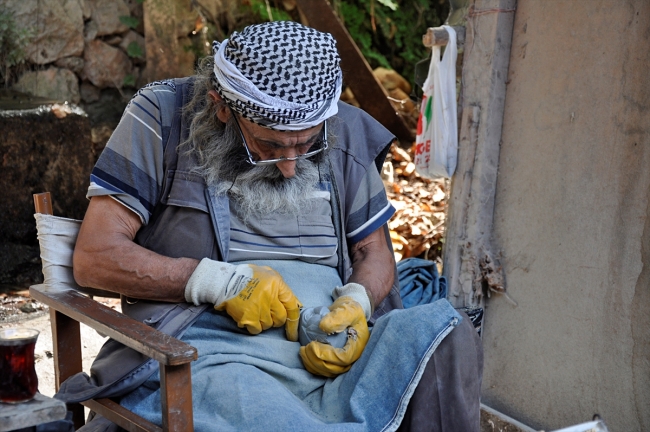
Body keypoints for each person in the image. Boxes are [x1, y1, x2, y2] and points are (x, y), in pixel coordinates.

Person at [61, 21, 482, 431]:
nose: (289, 166)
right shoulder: (163, 117)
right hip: (215, 353)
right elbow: (95, 257)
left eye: (307, 144)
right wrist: (216, 283)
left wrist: (359, 302)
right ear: (221, 107)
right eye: (270, 145)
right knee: (269, 415)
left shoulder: (343, 128)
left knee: (446, 334)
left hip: (330, 343)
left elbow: (373, 252)